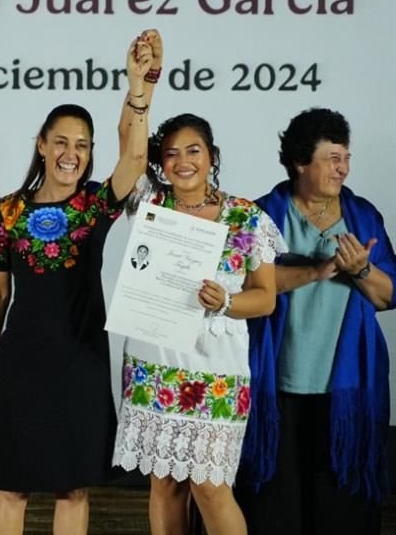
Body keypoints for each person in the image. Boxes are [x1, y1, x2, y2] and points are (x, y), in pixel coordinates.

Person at [0, 30, 161, 535]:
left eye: (82, 144)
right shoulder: (9, 209)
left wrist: (139, 89)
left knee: (73, 487)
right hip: (21, 362)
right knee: (11, 484)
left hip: (80, 360)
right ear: (41, 144)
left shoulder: (97, 202)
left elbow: (137, 160)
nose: (70, 152)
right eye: (60, 141)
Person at [111, 113, 281, 535]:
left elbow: (266, 299)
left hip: (218, 371)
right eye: (170, 153)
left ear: (212, 156)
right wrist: (140, 83)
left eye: (193, 151)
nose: (182, 161)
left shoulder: (246, 217)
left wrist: (226, 301)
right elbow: (127, 142)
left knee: (210, 488)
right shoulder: (149, 201)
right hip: (156, 366)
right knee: (165, 484)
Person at [237, 108, 396, 535]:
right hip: (276, 390)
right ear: (300, 162)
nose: (342, 168)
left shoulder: (363, 216)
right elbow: (246, 284)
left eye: (346, 157)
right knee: (274, 513)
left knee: (341, 511)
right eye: (331, 158)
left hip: (345, 394)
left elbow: (388, 295)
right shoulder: (262, 216)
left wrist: (361, 269)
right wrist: (317, 270)